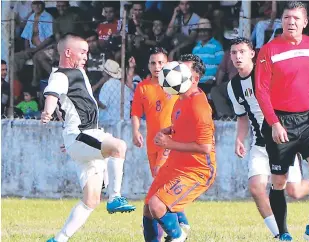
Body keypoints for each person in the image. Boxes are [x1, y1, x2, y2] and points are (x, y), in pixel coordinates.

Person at [227, 37, 309, 240]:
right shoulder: (233, 86)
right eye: (233, 52)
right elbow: (242, 117)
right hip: (259, 143)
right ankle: (280, 235)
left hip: (283, 137)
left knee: (294, 191)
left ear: (252, 54)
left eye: (242, 52)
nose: (238, 56)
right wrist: (239, 138)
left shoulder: (268, 73)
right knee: (256, 187)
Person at [42, 33, 135, 242]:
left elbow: (67, 105)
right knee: (118, 146)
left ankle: (59, 240)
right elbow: (52, 95)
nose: (86, 56)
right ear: (68, 52)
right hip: (82, 134)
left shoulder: (79, 73)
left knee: (91, 200)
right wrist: (47, 112)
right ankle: (115, 197)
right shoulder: (60, 75)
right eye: (82, 52)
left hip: (83, 138)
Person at [255, 2, 309, 241]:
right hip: (281, 121)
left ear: (305, 22)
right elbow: (261, 90)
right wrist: (274, 123)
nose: (291, 22)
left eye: (296, 18)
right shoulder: (269, 50)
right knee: (279, 182)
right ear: (281, 21)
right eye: (287, 17)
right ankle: (283, 233)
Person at [143, 54, 215, 242]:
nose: (176, 73)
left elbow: (205, 147)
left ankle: (178, 236)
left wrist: (169, 144)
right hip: (176, 164)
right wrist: (170, 130)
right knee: (148, 208)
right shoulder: (180, 99)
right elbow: (183, 126)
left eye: (183, 71)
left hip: (197, 170)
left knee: (157, 205)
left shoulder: (200, 105)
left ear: (195, 79)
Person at [130, 47, 190, 238]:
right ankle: (176, 221)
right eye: (153, 63)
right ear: (148, 65)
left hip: (171, 141)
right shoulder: (143, 87)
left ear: (167, 64)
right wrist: (135, 131)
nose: (157, 67)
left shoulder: (174, 84)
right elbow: (136, 113)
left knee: (161, 179)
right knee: (160, 183)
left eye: (160, 63)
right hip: (151, 143)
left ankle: (180, 224)